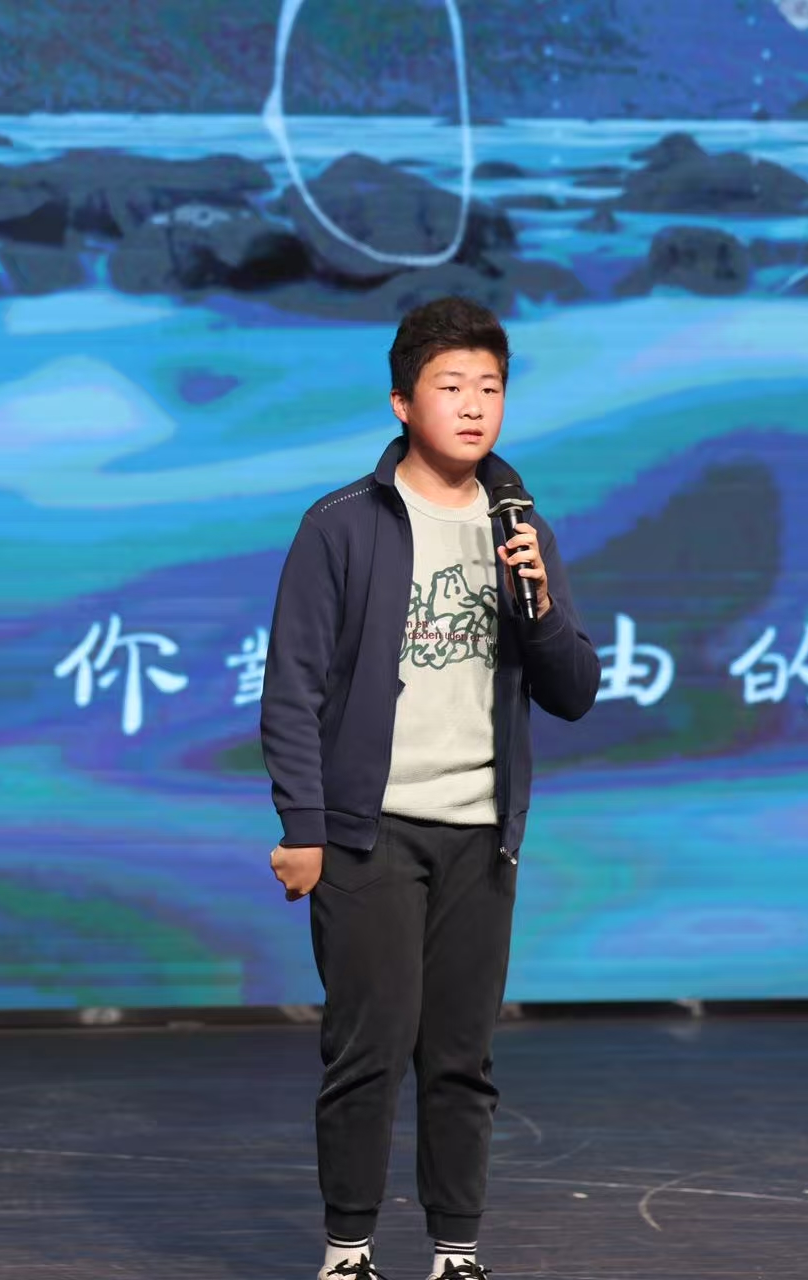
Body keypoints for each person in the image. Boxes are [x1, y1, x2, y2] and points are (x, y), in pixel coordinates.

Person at [259, 298, 601, 1280]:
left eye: (490, 387)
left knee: (461, 1056)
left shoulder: (522, 528)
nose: (474, 405)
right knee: (368, 1049)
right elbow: (292, 686)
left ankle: (456, 1251)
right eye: (451, 386)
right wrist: (304, 825)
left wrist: (538, 604)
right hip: (369, 835)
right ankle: (348, 1250)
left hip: (481, 835)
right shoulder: (342, 525)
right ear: (403, 402)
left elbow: (574, 690)